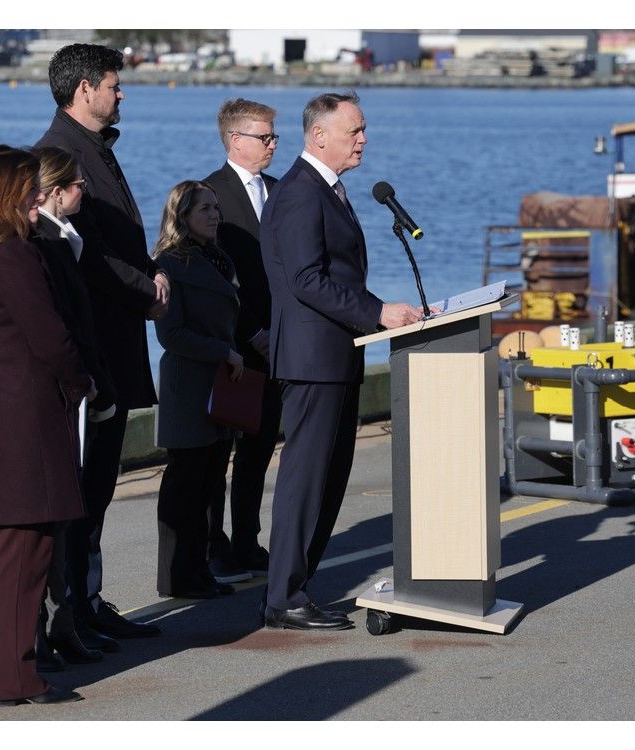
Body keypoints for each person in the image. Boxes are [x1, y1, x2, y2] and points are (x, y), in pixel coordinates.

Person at [259, 92, 425, 630]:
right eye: (353, 130)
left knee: (330, 479)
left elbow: (336, 275)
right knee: (307, 480)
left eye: (363, 129)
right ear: (318, 136)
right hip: (311, 360)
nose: (363, 139)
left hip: (337, 354)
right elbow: (307, 280)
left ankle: (298, 587)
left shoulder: (329, 189)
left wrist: (379, 311)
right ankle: (283, 597)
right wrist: (378, 311)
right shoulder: (302, 193)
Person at [0, 145, 93, 705]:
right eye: (29, 189)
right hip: (25, 420)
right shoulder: (13, 253)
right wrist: (82, 382)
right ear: (5, 193)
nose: (39, 198)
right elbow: (50, 336)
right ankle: (14, 677)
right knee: (25, 549)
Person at [35, 43, 168, 644]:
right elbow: (82, 259)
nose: (121, 94)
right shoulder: (58, 156)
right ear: (84, 89)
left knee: (100, 486)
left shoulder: (92, 150)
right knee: (83, 487)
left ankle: (85, 599)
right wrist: (148, 289)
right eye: (114, 85)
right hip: (95, 348)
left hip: (114, 340)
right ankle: (69, 613)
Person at [30, 146, 116, 669]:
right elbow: (64, 328)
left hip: (82, 387)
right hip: (65, 396)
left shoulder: (66, 238)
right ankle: (57, 624)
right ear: (55, 190)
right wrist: (90, 383)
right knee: (62, 515)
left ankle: (72, 617)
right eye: (79, 184)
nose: (85, 191)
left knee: (77, 512)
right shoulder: (45, 240)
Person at [152, 181, 245, 599]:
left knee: (210, 481)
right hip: (189, 386)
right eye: (204, 209)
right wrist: (222, 351)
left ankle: (200, 567)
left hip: (219, 387)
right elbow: (171, 335)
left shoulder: (219, 258)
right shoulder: (170, 263)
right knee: (185, 484)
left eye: (215, 207)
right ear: (182, 215)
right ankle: (176, 575)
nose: (214, 215)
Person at [202, 98, 280, 584]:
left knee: (259, 448)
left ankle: (248, 539)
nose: (273, 145)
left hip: (278, 341)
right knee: (217, 453)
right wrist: (251, 331)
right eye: (264, 137)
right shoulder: (209, 194)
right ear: (236, 140)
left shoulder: (280, 189)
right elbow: (218, 276)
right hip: (233, 343)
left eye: (274, 137)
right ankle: (214, 545)